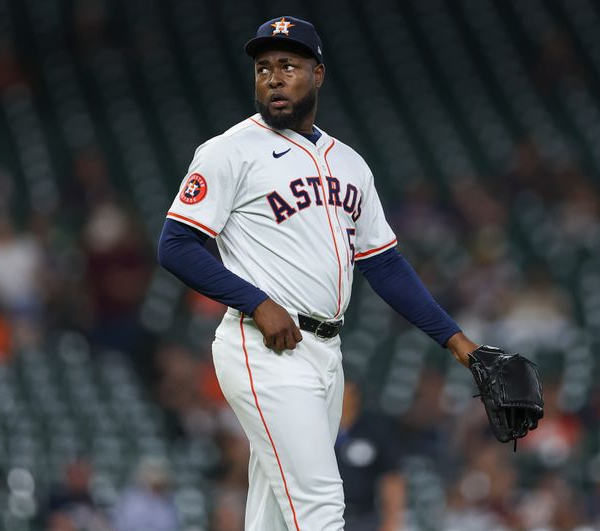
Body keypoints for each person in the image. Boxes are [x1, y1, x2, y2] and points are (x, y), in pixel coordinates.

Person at [158, 16, 480, 530]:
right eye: (264, 68)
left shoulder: (349, 164)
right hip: (263, 347)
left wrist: (461, 345)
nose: (274, 78)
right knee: (321, 506)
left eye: (289, 65)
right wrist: (256, 302)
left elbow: (385, 264)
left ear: (319, 74)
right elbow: (176, 245)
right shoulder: (229, 150)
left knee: (274, 515)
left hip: (326, 355)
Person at [335, 379, 405, 531]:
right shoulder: (317, 426)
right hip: (319, 514)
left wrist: (391, 522)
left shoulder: (375, 429)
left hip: (363, 517)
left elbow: (392, 478)